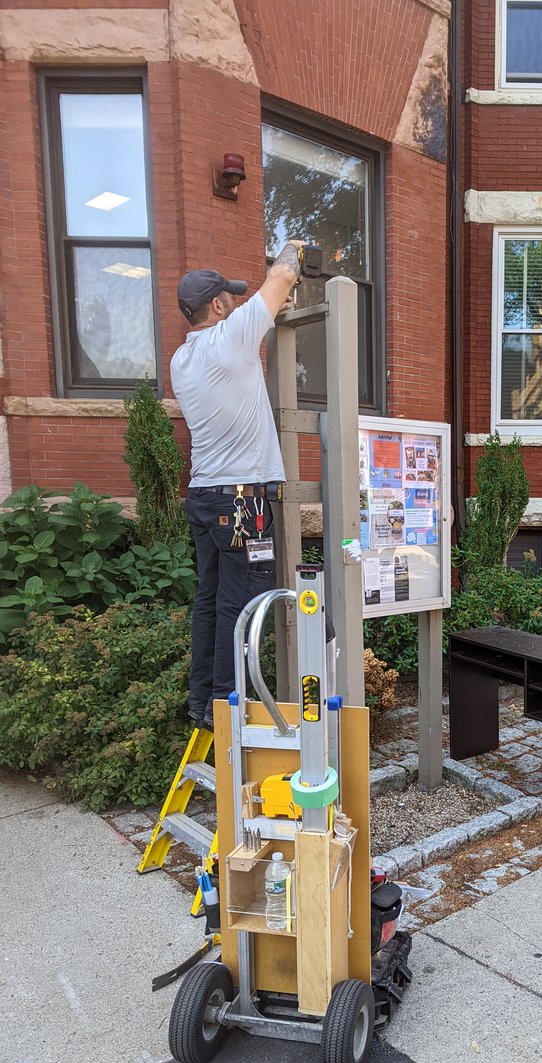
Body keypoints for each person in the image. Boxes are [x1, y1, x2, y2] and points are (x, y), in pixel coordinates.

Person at [171, 243, 305, 729]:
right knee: (242, 603)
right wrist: (293, 246)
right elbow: (285, 273)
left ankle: (201, 699)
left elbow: (266, 308)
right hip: (243, 501)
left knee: (209, 600)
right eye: (229, 295)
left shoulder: (181, 361)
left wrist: (270, 311)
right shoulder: (231, 337)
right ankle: (226, 708)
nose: (234, 300)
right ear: (219, 305)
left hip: (205, 495)